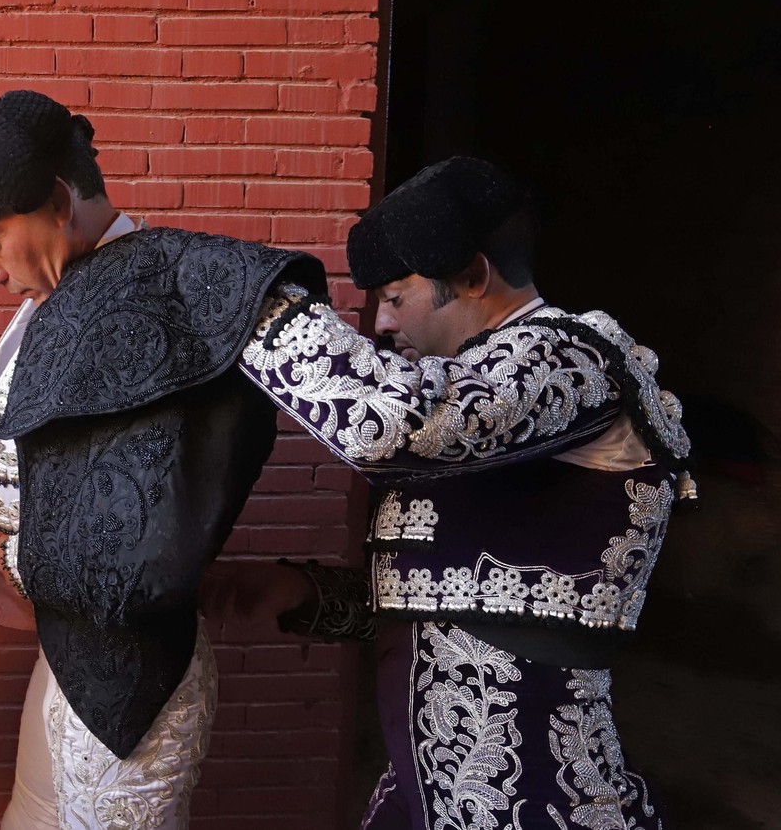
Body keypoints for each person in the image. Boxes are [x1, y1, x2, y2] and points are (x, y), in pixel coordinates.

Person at [226, 156, 693, 829]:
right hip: (427, 784)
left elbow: (397, 425)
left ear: (473, 275)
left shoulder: (570, 357)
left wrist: (250, 301)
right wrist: (306, 593)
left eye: (396, 297)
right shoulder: (486, 404)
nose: (382, 323)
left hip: (535, 794)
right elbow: (461, 600)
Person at [0, 90, 327, 830]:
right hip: (67, 652)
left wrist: (19, 555)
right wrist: (5, 513)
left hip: (129, 681)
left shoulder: (166, 292)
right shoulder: (61, 294)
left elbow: (151, 526)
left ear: (56, 203)